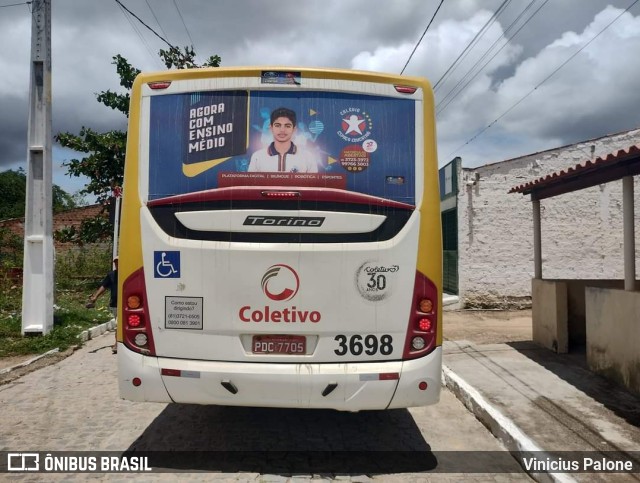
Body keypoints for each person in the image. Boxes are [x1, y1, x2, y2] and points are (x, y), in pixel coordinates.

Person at [247, 107, 319, 173]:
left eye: (287, 126)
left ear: (294, 130)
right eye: (278, 125)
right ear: (271, 128)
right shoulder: (258, 156)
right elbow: (250, 185)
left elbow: (314, 185)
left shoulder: (308, 157)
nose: (282, 130)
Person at [87, 256, 118, 354]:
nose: (117, 264)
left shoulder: (128, 274)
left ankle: (118, 343)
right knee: (118, 324)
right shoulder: (112, 275)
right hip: (115, 303)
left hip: (127, 303)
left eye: (119, 262)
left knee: (119, 324)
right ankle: (118, 343)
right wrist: (95, 297)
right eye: (116, 262)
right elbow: (103, 286)